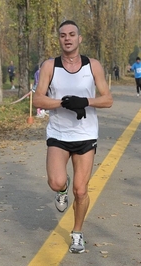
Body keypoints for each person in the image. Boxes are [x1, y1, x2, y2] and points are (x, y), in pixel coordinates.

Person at [32, 20, 113, 254]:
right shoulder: (50, 66)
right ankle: (61, 189)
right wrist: (64, 102)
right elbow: (38, 100)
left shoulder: (92, 65)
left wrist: (85, 101)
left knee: (81, 190)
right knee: (56, 181)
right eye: (62, 35)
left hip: (86, 134)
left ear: (79, 39)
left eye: (71, 34)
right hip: (58, 133)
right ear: (59, 39)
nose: (67, 38)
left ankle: (77, 233)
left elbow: (107, 99)